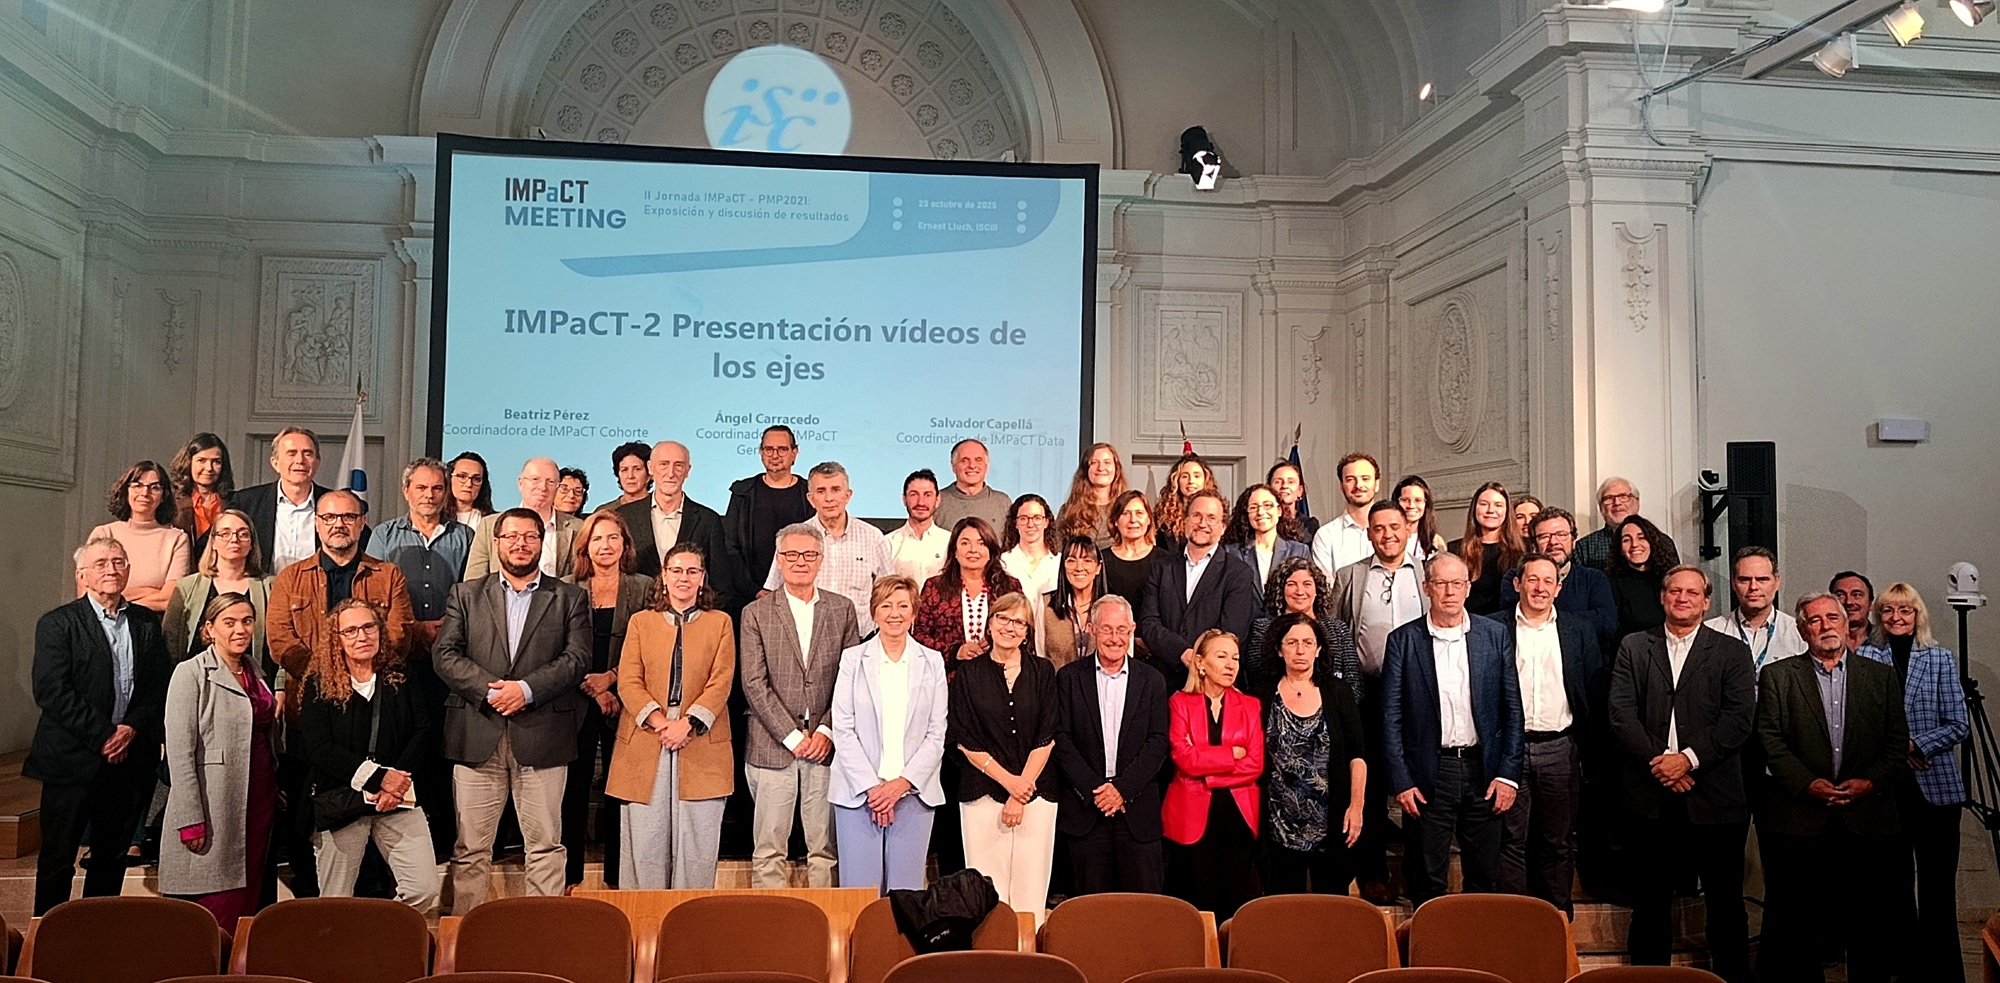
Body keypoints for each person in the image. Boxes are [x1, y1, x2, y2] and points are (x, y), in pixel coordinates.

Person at [432, 507, 592, 910]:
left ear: (543, 543)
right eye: (512, 536)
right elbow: (445, 655)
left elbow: (577, 659)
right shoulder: (465, 594)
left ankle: (543, 940)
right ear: (496, 542)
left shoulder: (569, 597)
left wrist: (525, 690)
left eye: (530, 536)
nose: (521, 544)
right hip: (477, 734)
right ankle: (466, 944)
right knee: (470, 849)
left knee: (545, 847)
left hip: (543, 737)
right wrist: (492, 691)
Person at [1608, 565, 1755, 981]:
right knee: (1650, 904)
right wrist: (1664, 763)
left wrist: (1688, 759)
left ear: (1707, 601)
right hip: (1650, 797)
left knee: (1725, 905)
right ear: (1662, 596)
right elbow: (1621, 714)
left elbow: (1739, 719)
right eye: (1675, 590)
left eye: (1693, 592)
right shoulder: (1635, 646)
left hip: (1714, 797)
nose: (1683, 598)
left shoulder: (1730, 651)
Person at [267, 488, 414, 898]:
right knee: (310, 815)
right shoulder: (291, 578)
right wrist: (330, 676)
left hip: (375, 716)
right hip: (310, 716)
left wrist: (358, 673)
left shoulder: (388, 576)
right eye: (330, 517)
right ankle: (313, 902)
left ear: (362, 522)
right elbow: (281, 641)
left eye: (349, 517)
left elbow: (399, 635)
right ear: (317, 523)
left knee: (372, 809)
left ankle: (371, 899)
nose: (339, 524)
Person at [1755, 592, 1907, 983]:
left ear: (1846, 622)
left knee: (1868, 921)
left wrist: (1869, 782)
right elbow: (1769, 739)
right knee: (1799, 923)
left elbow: (1896, 741)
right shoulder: (1778, 675)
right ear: (1802, 629)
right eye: (1815, 620)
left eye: (1832, 617)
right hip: (1800, 817)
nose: (1826, 626)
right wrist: (1808, 784)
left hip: (1867, 817)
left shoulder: (1881, 677)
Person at [28, 537, 172, 915]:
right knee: (58, 859)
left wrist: (131, 730)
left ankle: (96, 934)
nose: (111, 569)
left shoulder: (144, 623)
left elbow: (157, 685)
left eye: (119, 561)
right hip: (71, 762)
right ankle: (46, 937)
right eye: (102, 563)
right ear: (83, 574)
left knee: (111, 858)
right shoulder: (58, 624)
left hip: (128, 762)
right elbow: (51, 691)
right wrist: (105, 734)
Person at [1380, 552, 1522, 905]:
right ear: (1427, 588)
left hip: (1483, 769)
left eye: (1457, 583)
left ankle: (1475, 956)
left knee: (1485, 876)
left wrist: (1508, 774)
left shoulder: (1493, 635)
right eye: (1441, 584)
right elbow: (1390, 718)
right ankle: (1433, 957)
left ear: (1468, 587)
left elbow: (1512, 710)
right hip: (1430, 772)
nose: (1449, 592)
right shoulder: (1404, 641)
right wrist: (1402, 780)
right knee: (1427, 877)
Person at [606, 541, 737, 889]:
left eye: (692, 571)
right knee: (645, 841)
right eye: (676, 570)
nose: (684, 577)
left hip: (701, 739)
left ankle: (689, 929)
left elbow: (721, 679)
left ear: (702, 577)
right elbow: (629, 680)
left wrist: (688, 723)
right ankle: (644, 927)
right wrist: (661, 722)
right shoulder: (640, 622)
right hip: (648, 738)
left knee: (697, 841)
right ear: (663, 576)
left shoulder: (720, 622)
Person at [738, 523, 861, 888]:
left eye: (809, 555)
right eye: (791, 555)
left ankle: (825, 932)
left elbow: (849, 679)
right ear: (779, 559)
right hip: (771, 746)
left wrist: (825, 730)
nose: (800, 562)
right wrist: (793, 737)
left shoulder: (842, 609)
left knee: (824, 849)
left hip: (825, 748)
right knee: (769, 849)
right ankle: (773, 936)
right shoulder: (756, 613)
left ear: (821, 560)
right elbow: (753, 683)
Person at [1857, 583, 1969, 982]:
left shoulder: (1939, 658)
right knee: (1895, 890)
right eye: (1888, 612)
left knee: (1938, 892)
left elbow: (1959, 723)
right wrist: (1893, 749)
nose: (1897, 619)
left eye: (1905, 611)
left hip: (1935, 788)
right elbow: (1859, 723)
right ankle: (1905, 971)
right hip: (1886, 791)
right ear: (1879, 616)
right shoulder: (1865, 656)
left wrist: (1913, 743)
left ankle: (1944, 974)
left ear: (1918, 614)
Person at [298, 598, 439, 911]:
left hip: (398, 798)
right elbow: (319, 749)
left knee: (424, 889)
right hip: (342, 800)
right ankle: (344, 956)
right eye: (350, 631)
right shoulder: (319, 685)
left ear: (379, 631)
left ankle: (380, 941)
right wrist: (379, 779)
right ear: (336, 639)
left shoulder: (400, 675)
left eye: (368, 627)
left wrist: (395, 782)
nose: (361, 636)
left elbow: (422, 732)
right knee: (335, 902)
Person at [365, 457, 473, 861]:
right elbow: (375, 592)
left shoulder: (465, 536)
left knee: (447, 747)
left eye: (437, 488)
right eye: (422, 488)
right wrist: (414, 627)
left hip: (452, 657)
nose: (429, 495)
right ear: (407, 490)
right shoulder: (383, 535)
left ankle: (445, 838)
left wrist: (446, 627)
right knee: (405, 745)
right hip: (399, 659)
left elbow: (473, 591)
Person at [1326, 501, 1427, 903]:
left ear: (1407, 530)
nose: (1387, 534)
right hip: (1366, 691)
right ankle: (1372, 874)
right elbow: (1335, 631)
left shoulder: (1427, 574)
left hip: (1418, 695)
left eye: (1394, 527)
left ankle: (1418, 873)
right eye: (1379, 528)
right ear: (1369, 534)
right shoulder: (1350, 576)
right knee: (1367, 783)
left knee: (1417, 781)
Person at [1497, 553, 1605, 916]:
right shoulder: (1494, 629)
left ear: (1558, 588)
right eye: (1532, 579)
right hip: (1509, 750)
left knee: (1558, 840)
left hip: (1560, 747)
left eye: (1548, 581)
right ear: (1517, 584)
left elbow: (1591, 690)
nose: (1540, 588)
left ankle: (1557, 918)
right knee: (1510, 840)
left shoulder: (1578, 631)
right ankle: (1516, 920)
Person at [161, 592, 278, 926]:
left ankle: (238, 971)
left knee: (249, 894)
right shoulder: (190, 673)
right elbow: (180, 753)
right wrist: (190, 818)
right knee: (217, 903)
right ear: (209, 629)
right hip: (215, 800)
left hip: (259, 794)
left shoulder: (255, 670)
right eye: (229, 622)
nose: (240, 629)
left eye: (247, 621)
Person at [831, 576, 949, 892]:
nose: (894, 613)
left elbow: (937, 733)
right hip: (859, 796)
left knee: (906, 897)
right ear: (874, 611)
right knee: (859, 896)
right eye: (886, 605)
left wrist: (899, 786)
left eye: (902, 606)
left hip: (913, 795)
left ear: (914, 613)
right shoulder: (852, 660)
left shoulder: (932, 662)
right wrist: (874, 789)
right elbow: (843, 729)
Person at [949, 591, 1059, 919]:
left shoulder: (1043, 672)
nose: (1010, 627)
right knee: (986, 892)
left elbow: (1048, 734)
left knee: (1031, 892)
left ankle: (1030, 964)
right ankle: (992, 964)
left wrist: (1021, 789)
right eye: (1003, 618)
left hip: (1036, 794)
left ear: (1028, 632)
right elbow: (964, 737)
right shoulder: (968, 674)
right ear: (990, 622)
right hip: (981, 793)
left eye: (1019, 622)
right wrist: (1009, 783)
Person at [1052, 596, 1172, 894]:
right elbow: (1062, 740)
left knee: (1144, 912)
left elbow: (1158, 742)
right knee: (1092, 915)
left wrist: (1121, 790)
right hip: (1086, 814)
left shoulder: (1152, 680)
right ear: (1092, 629)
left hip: (1137, 812)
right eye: (1107, 629)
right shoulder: (1068, 678)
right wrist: (1097, 791)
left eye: (1121, 629)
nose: (1115, 638)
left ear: (1132, 630)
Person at [563, 510, 655, 889]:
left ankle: (619, 880)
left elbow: (649, 645)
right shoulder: (566, 587)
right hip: (576, 697)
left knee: (621, 789)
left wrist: (612, 681)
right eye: (598, 539)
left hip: (626, 698)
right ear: (585, 545)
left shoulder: (643, 586)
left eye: (613, 538)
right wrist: (593, 687)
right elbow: (561, 646)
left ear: (625, 544)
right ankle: (570, 878)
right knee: (574, 788)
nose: (606, 545)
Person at [1258, 613, 1366, 896]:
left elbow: (1358, 755)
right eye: (1291, 642)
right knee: (1281, 912)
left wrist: (1356, 807)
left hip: (1331, 821)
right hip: (1277, 823)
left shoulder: (1338, 691)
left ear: (1319, 649)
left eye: (1308, 642)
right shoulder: (1261, 693)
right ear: (1279, 649)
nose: (1300, 649)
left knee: (1331, 913)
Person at [1163, 629, 1264, 919]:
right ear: (1200, 663)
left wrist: (1207, 771)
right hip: (1192, 816)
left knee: (1234, 904)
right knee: (1197, 903)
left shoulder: (1250, 705)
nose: (1231, 664)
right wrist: (1231, 755)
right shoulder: (1179, 703)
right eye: (1222, 657)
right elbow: (1184, 757)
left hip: (1238, 816)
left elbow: (1255, 763)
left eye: (1235, 658)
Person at [1139, 489, 1259, 691]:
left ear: (1223, 528)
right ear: (1185, 521)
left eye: (1211, 518)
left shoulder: (1238, 573)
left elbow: (1230, 633)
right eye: (1196, 515)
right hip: (1163, 683)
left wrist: (1199, 661)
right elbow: (1149, 623)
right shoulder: (1161, 567)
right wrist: (1182, 652)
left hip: (1212, 685)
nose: (1203, 523)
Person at [761, 462, 893, 636]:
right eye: (821, 491)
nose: (829, 498)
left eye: (836, 490)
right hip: (805, 641)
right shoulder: (793, 539)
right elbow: (772, 592)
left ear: (848, 495)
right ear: (811, 498)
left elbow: (889, 594)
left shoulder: (873, 538)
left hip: (860, 640)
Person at [614, 441, 737, 603]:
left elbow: (721, 585)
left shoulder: (708, 520)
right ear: (650, 468)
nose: (671, 473)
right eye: (664, 464)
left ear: (688, 470)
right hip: (637, 619)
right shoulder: (624, 516)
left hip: (692, 621)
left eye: (678, 465)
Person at [163, 509, 270, 667]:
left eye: (243, 534)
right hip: (199, 681)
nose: (234, 539)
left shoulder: (270, 586)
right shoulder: (187, 587)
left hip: (253, 681)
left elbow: (280, 640)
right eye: (225, 533)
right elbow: (170, 642)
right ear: (213, 542)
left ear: (251, 544)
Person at [1501, 508, 1619, 650]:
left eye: (1561, 534)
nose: (1553, 542)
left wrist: (1547, 618)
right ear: (1533, 545)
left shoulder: (1593, 579)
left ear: (1573, 541)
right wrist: (1580, 619)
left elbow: (1607, 624)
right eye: (1544, 536)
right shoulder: (1516, 578)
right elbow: (1515, 622)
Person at [1245, 557, 1359, 701]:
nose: (1300, 591)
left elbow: (1355, 684)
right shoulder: (1263, 629)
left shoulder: (1337, 629)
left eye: (1307, 584)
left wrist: (1327, 709)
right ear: (1280, 590)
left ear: (1317, 589)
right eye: (1291, 584)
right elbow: (1258, 680)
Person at [913, 518, 1022, 664]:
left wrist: (997, 643)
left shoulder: (1009, 587)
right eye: (965, 543)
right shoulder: (934, 586)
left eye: (981, 543)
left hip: (999, 674)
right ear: (955, 551)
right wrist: (954, 652)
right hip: (949, 677)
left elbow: (1022, 628)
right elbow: (919, 634)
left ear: (991, 550)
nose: (973, 550)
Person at [90, 460, 192, 612]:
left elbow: (169, 599)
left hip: (152, 627)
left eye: (154, 487)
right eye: (137, 485)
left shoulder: (177, 539)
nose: (145, 493)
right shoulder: (103, 534)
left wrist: (118, 600)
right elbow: (90, 594)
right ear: (126, 491)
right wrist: (149, 592)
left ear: (164, 496)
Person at [233, 427, 332, 574]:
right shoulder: (246, 503)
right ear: (275, 463)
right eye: (291, 454)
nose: (300, 460)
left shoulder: (336, 505)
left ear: (317, 462)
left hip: (320, 594)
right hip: (262, 593)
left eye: (308, 453)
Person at [725, 425, 812, 591]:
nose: (775, 455)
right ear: (761, 452)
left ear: (794, 452)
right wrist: (753, 590)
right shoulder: (742, 493)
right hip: (749, 595)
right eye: (769, 449)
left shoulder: (809, 494)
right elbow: (730, 546)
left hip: (800, 592)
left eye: (782, 449)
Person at [466, 458, 581, 581]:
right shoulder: (489, 525)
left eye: (551, 482)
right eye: (535, 479)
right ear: (520, 483)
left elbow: (582, 577)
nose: (543, 487)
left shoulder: (578, 528)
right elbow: (474, 582)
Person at [1704, 545, 1808, 674]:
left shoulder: (1798, 632)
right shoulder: (1710, 631)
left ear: (1777, 582)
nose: (1753, 587)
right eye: (1745, 580)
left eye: (1762, 579)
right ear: (1733, 583)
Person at [1448, 481, 1524, 617]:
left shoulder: (1522, 551)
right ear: (1474, 509)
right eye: (1484, 504)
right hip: (1469, 626)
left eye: (1498, 505)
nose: (1490, 510)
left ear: (1507, 511)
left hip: (1509, 627)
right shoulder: (1455, 550)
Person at [1221, 483, 1309, 590]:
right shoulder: (1232, 552)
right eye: (1253, 507)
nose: (1261, 512)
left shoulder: (1298, 551)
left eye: (1267, 505)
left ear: (1279, 511)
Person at [1605, 515, 1677, 642]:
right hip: (1633, 653)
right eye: (1626, 540)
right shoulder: (1611, 584)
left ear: (1652, 542)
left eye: (1641, 538)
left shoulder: (1670, 580)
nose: (1634, 545)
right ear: (1621, 549)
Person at [1310, 452, 1380, 579]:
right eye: (1350, 479)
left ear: (1376, 484)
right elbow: (1326, 590)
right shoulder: (1326, 536)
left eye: (1365, 478)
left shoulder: (1393, 533)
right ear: (1341, 487)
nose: (1358, 485)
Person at [1039, 536, 1103, 671]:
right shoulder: (1046, 605)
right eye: (1071, 561)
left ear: (1098, 567)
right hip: (1057, 688)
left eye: (1087, 561)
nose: (1079, 568)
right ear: (1063, 566)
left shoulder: (1112, 608)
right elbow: (1039, 657)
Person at [168, 432, 235, 560]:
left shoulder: (235, 502)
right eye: (201, 461)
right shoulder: (171, 503)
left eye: (216, 462)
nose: (209, 468)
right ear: (188, 463)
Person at [1000, 494, 1061, 623]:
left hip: (1051, 637)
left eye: (1037, 518)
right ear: (1015, 523)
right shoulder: (1003, 562)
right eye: (1023, 518)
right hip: (1014, 635)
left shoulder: (1059, 563)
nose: (1030, 524)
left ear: (1046, 522)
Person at [1055, 443, 1127, 548]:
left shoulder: (1126, 509)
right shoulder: (1069, 511)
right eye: (1094, 462)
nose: (1101, 468)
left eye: (1107, 462)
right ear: (1085, 469)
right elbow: (1058, 551)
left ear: (1116, 469)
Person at [932, 438, 1011, 533]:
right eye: (965, 460)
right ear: (953, 466)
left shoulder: (1003, 502)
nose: (972, 465)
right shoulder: (937, 501)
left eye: (978, 460)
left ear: (986, 467)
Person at [886, 469, 949, 586]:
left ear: (937, 500)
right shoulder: (888, 543)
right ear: (904, 499)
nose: (921, 502)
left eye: (927, 495)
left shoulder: (950, 542)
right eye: (914, 495)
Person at [1100, 490, 1160, 612]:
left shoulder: (1165, 560)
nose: (1133, 519)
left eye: (1139, 513)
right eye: (1126, 513)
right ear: (1115, 521)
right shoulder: (1101, 559)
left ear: (1148, 519)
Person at [1151, 452, 1216, 550]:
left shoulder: (1216, 514)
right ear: (1176, 481)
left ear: (1205, 480)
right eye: (1185, 476)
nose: (1191, 481)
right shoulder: (1162, 517)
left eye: (1197, 476)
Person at [1574, 478, 1641, 571]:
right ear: (1601, 507)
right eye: (1609, 498)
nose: (1617, 503)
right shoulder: (1585, 548)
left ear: (1637, 502)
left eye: (1623, 496)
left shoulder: (1658, 541)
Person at [1391, 475, 1447, 562]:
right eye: (1405, 500)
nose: (1411, 506)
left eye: (1418, 500)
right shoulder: (1387, 538)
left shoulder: (1435, 542)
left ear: (1426, 504)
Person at [1266, 459, 1318, 543]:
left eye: (1291, 482)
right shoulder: (1261, 521)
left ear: (1300, 491)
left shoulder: (1309, 526)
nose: (1284, 486)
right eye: (1278, 482)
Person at [594, 440, 652, 513]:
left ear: (649, 474)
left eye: (637, 469)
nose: (630, 476)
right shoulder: (605, 511)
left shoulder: (660, 508)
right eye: (624, 470)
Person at [446, 451, 495, 528]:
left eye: (476, 479)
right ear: (449, 478)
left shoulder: (494, 521)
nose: (469, 484)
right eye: (462, 476)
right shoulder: (435, 518)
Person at [1831, 571, 1876, 654]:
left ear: (1870, 603)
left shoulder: (1886, 642)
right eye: (1840, 595)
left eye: (1856, 595)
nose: (1849, 602)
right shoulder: (1821, 641)